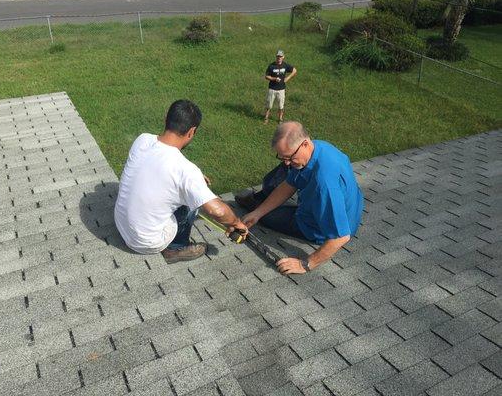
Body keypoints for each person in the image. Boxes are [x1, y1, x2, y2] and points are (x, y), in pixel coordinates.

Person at [114, 100, 248, 263]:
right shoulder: (186, 172)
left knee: (188, 190)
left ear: (166, 119)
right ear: (192, 131)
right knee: (193, 201)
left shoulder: (143, 139)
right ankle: (176, 247)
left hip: (122, 227)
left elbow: (159, 166)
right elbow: (217, 211)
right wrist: (236, 223)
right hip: (146, 242)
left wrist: (195, 179)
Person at [236, 121, 364, 274]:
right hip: (340, 208)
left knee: (269, 217)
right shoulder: (317, 148)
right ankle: (256, 205)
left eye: (290, 157)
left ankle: (254, 204)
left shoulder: (324, 185)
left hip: (318, 227)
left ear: (304, 144)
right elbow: (289, 184)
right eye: (282, 157)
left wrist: (306, 264)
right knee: (280, 176)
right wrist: (257, 214)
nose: (287, 162)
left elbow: (341, 237)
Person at [264, 49, 297, 124]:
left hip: (281, 89)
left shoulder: (285, 65)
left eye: (280, 56)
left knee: (281, 106)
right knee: (269, 105)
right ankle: (266, 118)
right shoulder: (271, 66)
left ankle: (280, 119)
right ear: (276, 57)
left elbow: (294, 70)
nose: (279, 58)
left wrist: (287, 78)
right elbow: (266, 76)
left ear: (283, 57)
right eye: (278, 56)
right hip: (272, 88)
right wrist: (274, 78)